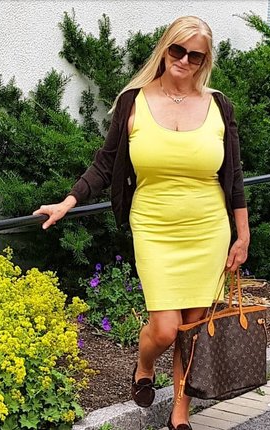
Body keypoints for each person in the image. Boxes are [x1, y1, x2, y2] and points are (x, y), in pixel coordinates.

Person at [33, 15, 250, 430]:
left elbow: (234, 176)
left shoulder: (219, 105)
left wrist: (243, 236)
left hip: (208, 229)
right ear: (165, 48)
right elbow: (106, 162)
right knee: (166, 329)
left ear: (204, 61)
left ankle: (180, 412)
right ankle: (144, 363)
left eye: (195, 55)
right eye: (177, 50)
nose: (184, 60)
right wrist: (68, 201)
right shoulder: (134, 102)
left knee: (192, 328)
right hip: (154, 227)